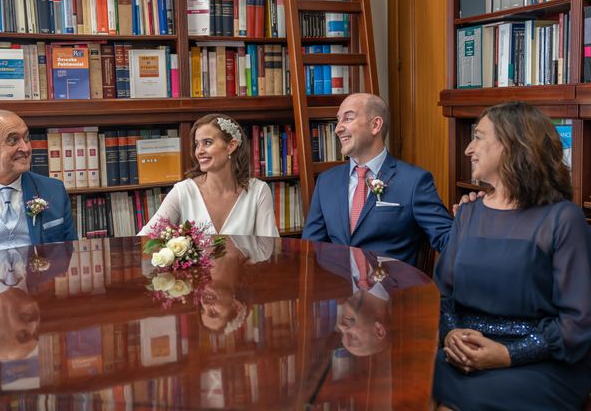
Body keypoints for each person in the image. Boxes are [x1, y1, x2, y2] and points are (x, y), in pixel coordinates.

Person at [433, 102, 591, 410]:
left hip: (542, 363)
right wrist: (452, 334)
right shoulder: (467, 213)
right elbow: (443, 295)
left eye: (478, 137)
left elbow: (578, 322)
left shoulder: (563, 219)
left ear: (511, 144)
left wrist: (507, 355)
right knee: (407, 383)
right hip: (464, 353)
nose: (468, 149)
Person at [302, 93, 452, 264]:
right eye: (338, 120)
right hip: (338, 288)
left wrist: (475, 216)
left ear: (375, 125)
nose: (338, 128)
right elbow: (310, 250)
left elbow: (448, 241)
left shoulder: (414, 182)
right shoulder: (326, 182)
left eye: (348, 118)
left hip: (391, 288)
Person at [0, 110, 77, 258]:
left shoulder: (54, 190)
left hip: (39, 279)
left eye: (26, 138)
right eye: (13, 140)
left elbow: (70, 254)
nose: (25, 148)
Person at [139, 114, 279, 237]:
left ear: (231, 146)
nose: (199, 151)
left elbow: (270, 249)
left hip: (248, 268)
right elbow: (144, 239)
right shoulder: (183, 191)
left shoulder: (259, 191)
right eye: (196, 144)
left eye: (207, 142)